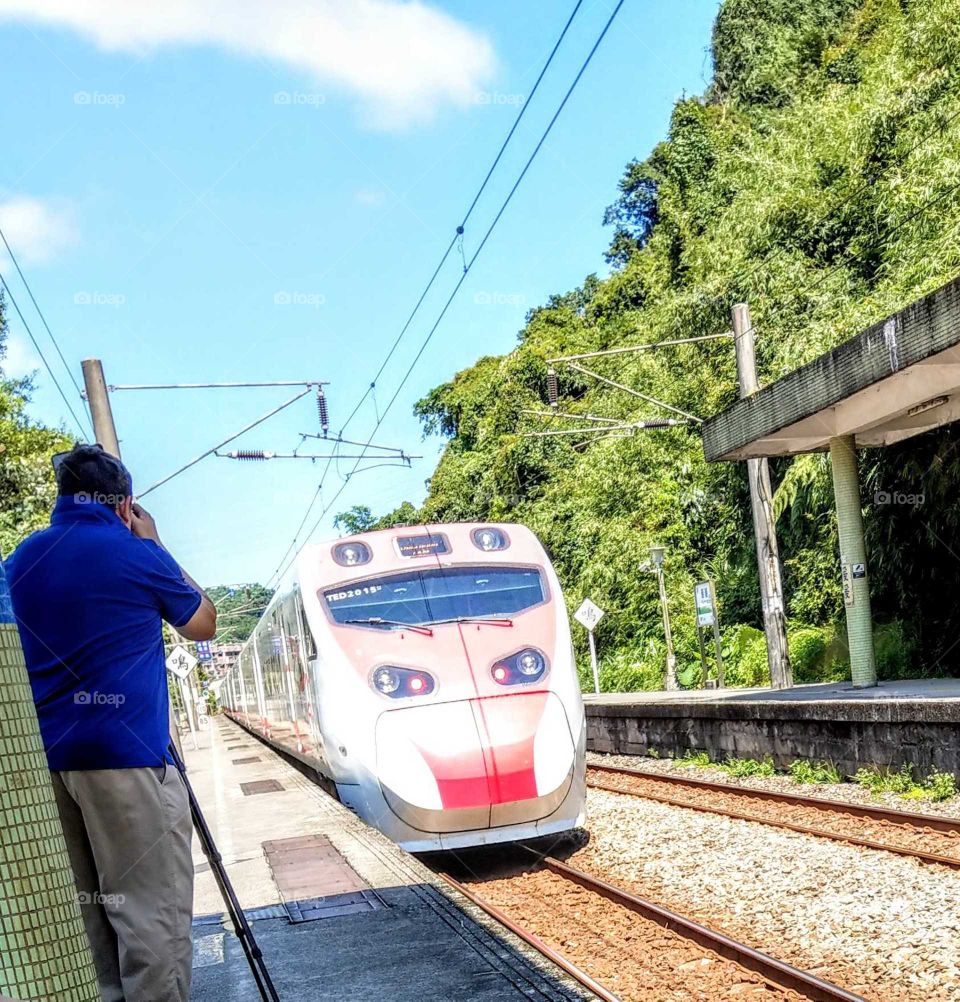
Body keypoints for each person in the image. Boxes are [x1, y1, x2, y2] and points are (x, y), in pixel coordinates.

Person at [6, 443, 217, 1002]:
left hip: (50, 768)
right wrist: (155, 542)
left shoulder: (22, 559)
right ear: (124, 504)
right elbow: (203, 624)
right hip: (129, 761)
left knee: (93, 919)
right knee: (153, 920)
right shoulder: (134, 554)